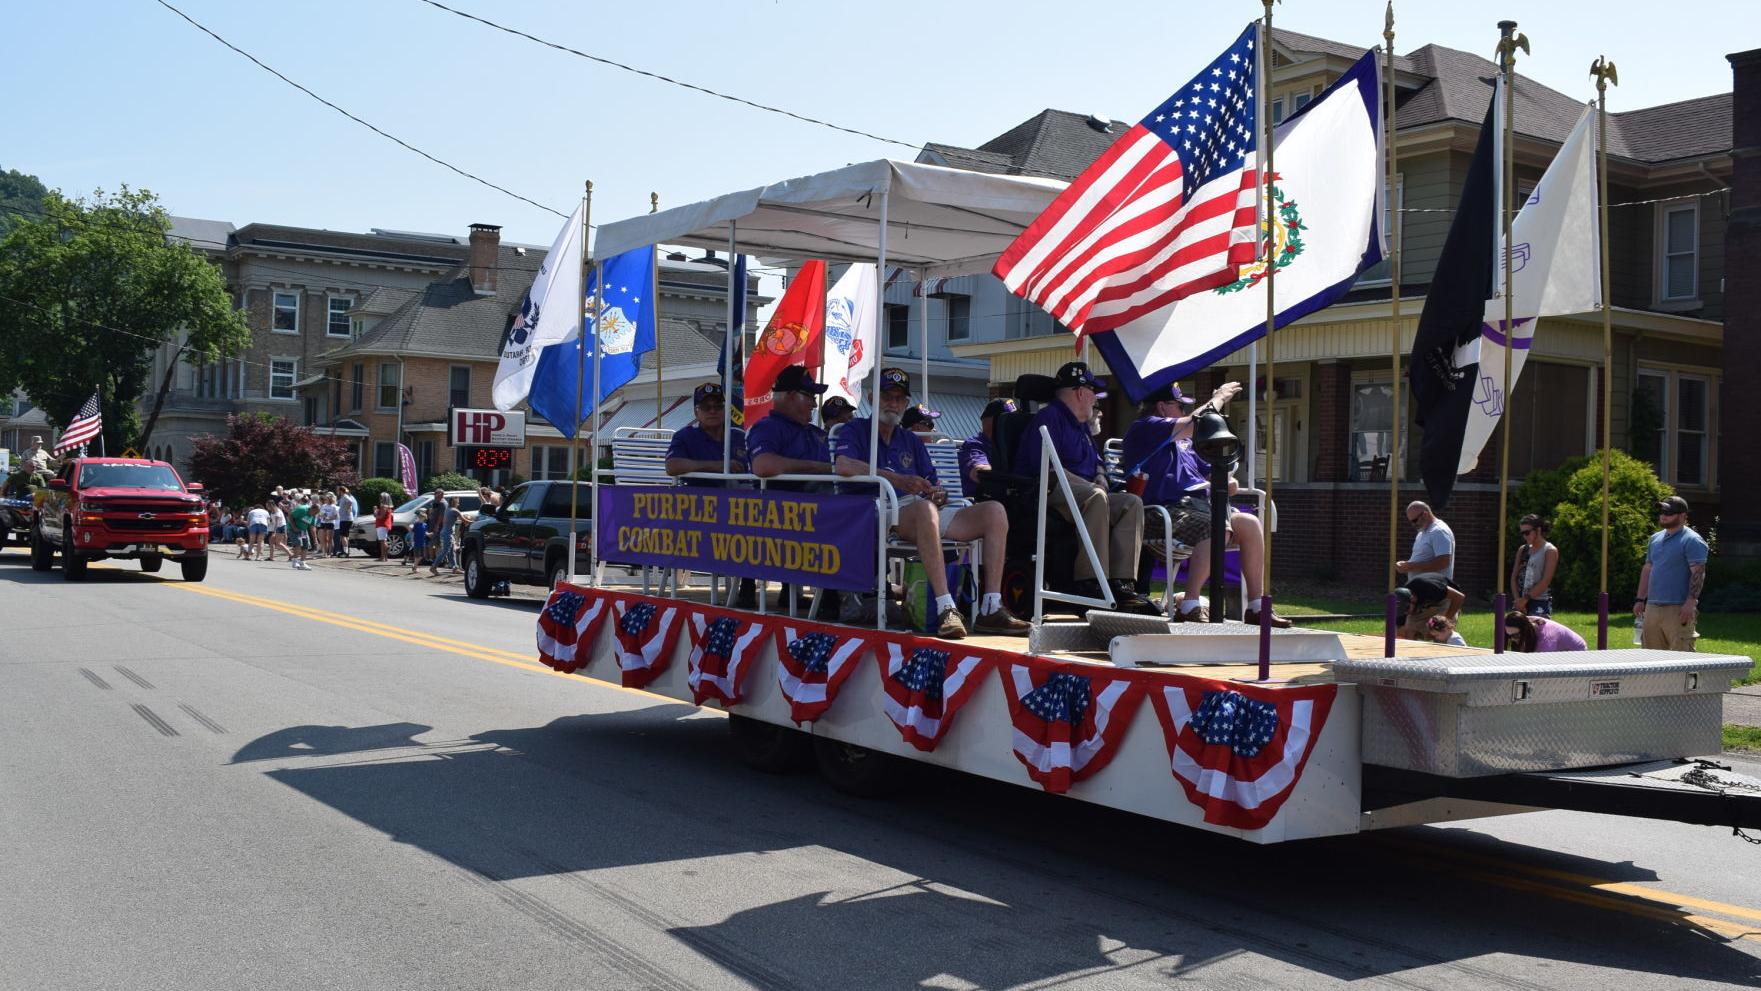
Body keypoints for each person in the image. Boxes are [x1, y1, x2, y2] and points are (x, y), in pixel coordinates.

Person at [834, 368, 1028, 639]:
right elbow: (842, 465)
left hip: (921, 511)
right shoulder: (855, 430)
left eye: (899, 398)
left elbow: (934, 485)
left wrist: (938, 493)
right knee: (926, 510)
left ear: (905, 404)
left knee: (994, 511)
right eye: (886, 396)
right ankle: (945, 607)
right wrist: (897, 479)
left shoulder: (910, 440)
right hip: (877, 510)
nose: (893, 403)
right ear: (871, 397)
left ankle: (991, 608)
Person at [1120, 380, 1288, 627]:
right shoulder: (1145, 428)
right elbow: (1195, 423)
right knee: (1215, 525)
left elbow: (1211, 475)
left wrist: (1227, 481)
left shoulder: (1184, 444)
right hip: (1161, 512)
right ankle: (1189, 604)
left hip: (1199, 508)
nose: (1184, 411)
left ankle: (1255, 607)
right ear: (1163, 407)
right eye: (1179, 405)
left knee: (1250, 523)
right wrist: (1218, 397)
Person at [1014, 361, 1158, 615]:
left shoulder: (1081, 427)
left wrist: (1101, 478)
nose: (1096, 399)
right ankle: (1090, 582)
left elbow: (1098, 463)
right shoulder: (1049, 418)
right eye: (1093, 392)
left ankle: (1121, 583)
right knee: (1096, 496)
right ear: (1081, 392)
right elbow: (1047, 466)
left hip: (1085, 493)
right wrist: (1093, 486)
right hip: (1047, 489)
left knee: (1131, 503)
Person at [748, 366, 840, 613]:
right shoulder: (767, 428)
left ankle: (858, 593)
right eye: (809, 396)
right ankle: (837, 596)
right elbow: (763, 464)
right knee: (846, 517)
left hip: (817, 510)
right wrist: (817, 468)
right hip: (781, 514)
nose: (814, 403)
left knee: (860, 513)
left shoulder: (815, 432)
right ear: (790, 396)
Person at [667, 382, 758, 608]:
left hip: (739, 505)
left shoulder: (741, 436)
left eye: (718, 406)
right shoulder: (685, 436)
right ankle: (746, 584)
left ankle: (780, 587)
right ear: (696, 411)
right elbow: (673, 466)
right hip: (700, 509)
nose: (712, 411)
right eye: (706, 407)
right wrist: (716, 466)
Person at [1634, 495, 1709, 651]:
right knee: (1651, 660)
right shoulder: (1654, 539)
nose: (1663, 516)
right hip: (1652, 607)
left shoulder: (1692, 540)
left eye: (1668, 513)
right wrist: (1640, 599)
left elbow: (1698, 573)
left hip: (1678, 609)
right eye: (1661, 512)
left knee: (1681, 659)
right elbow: (1648, 569)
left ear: (1682, 516)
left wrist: (1690, 602)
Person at [958, 398, 1016, 500]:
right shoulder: (974, 445)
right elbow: (980, 473)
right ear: (991, 422)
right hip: (980, 504)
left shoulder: (1010, 447)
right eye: (1009, 419)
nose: (1015, 424)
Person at [1510, 513, 1559, 617]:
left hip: (1540, 601)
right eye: (1522, 533)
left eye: (1527, 532)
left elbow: (1545, 581)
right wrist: (1518, 601)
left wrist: (1525, 599)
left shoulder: (1549, 550)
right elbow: (1514, 577)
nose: (1524, 536)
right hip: (1520, 602)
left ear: (1538, 530)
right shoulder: (1523, 549)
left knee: (1535, 629)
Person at [1393, 573, 1466, 639]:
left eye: (1407, 610)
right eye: (1404, 612)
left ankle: (1444, 648)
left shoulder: (1428, 587)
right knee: (1407, 630)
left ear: (1413, 599)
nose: (1406, 613)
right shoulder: (1402, 600)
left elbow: (1459, 597)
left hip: (1446, 599)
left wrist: (1446, 620)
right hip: (1426, 603)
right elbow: (1399, 630)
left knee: (1441, 632)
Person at [1398, 501, 1455, 581]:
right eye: (1411, 522)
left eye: (1414, 520)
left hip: (1435, 587)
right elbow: (1422, 558)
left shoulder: (1438, 531)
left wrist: (1411, 566)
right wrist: (1406, 565)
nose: (1413, 525)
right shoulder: (1422, 532)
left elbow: (1443, 562)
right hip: (1424, 588)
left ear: (1425, 514)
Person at [1504, 610, 1587, 653]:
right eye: (1509, 636)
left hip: (1576, 651)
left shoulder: (1546, 639)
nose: (1512, 639)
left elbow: (1544, 667)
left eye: (1515, 636)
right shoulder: (1524, 621)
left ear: (1525, 630)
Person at [288, 493, 315, 570]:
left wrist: (315, 538)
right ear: (311, 509)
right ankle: (295, 561)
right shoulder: (302, 509)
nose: (314, 515)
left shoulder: (314, 514)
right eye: (314, 512)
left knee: (306, 545)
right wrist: (294, 527)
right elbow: (290, 515)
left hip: (303, 530)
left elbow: (312, 526)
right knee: (298, 544)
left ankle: (302, 563)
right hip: (293, 529)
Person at [335, 485, 358, 557]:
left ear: (341, 491)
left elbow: (350, 502)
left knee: (343, 536)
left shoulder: (345, 496)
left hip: (345, 519)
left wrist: (346, 509)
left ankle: (345, 552)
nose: (337, 492)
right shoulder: (343, 497)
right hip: (345, 519)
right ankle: (346, 551)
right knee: (345, 535)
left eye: (338, 490)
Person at [374, 493, 394, 563]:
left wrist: (375, 511)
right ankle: (384, 557)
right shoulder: (389, 507)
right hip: (385, 525)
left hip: (381, 525)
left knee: (382, 541)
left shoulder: (383, 506)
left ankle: (383, 557)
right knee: (383, 540)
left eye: (381, 497)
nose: (380, 499)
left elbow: (380, 517)